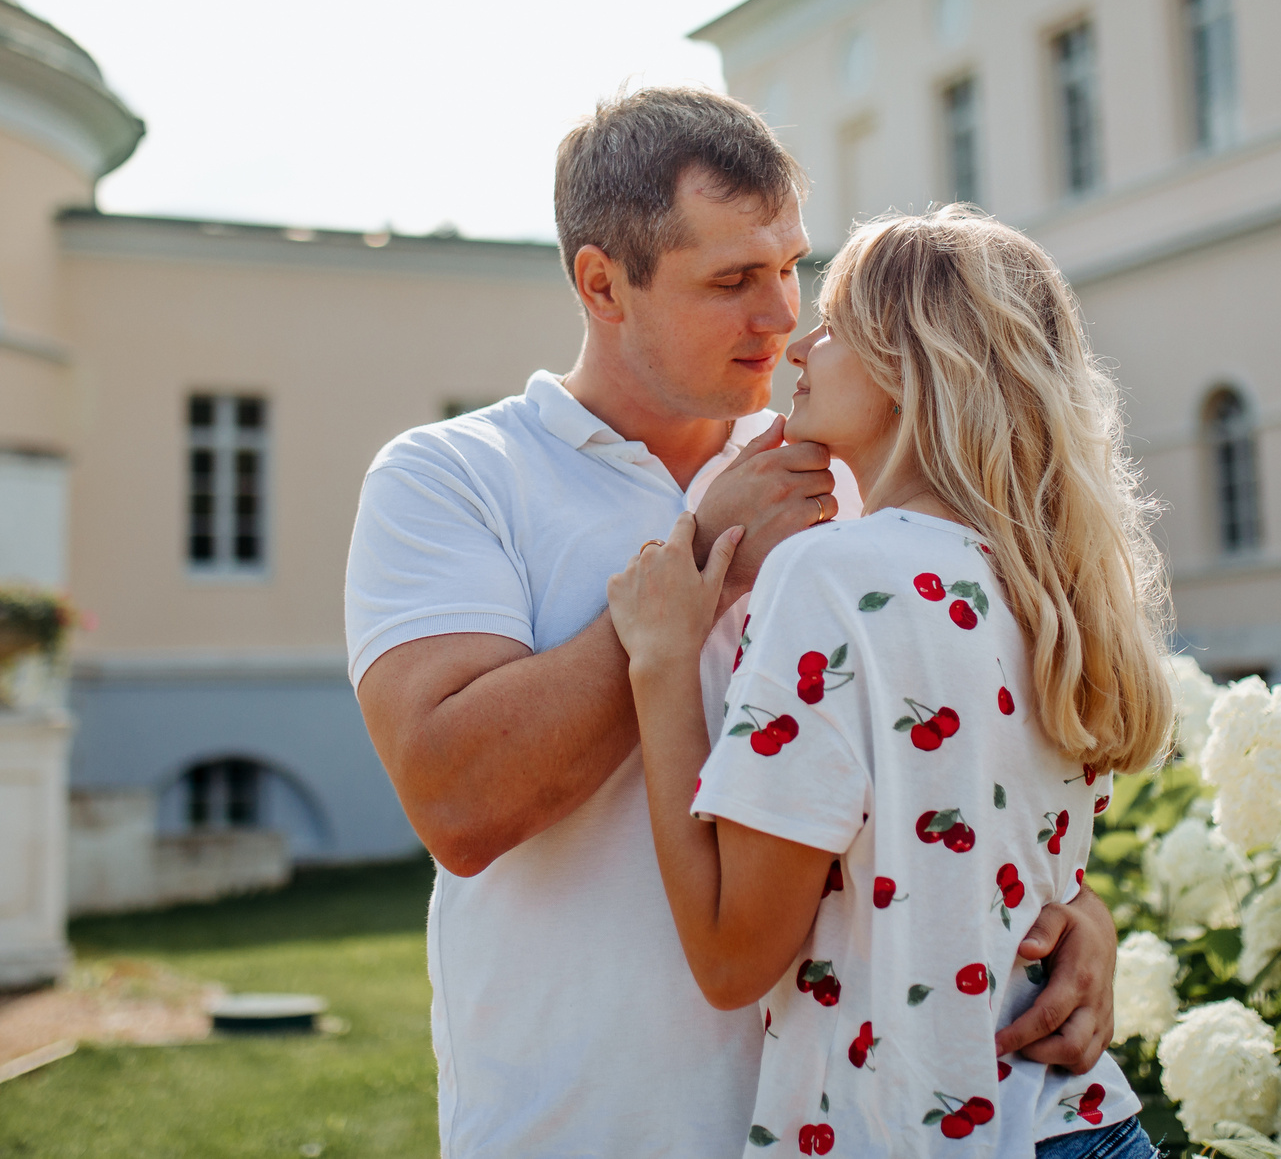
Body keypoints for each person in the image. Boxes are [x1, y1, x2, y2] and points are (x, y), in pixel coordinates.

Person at [346, 89, 1124, 1158]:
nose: (782, 319)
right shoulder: (454, 477)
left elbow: (959, 767)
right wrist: (707, 559)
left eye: (790, 267)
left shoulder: (860, 473)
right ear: (601, 283)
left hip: (850, 1129)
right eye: (731, 281)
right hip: (580, 1131)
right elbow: (456, 804)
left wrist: (1076, 915)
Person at [606, 206, 1173, 1157]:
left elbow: (732, 957)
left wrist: (661, 663)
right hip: (1087, 1123)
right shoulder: (1048, 587)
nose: (798, 345)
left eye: (832, 323)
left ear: (910, 362)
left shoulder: (831, 575)